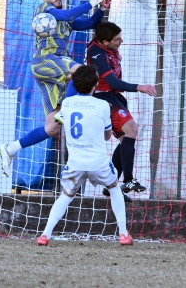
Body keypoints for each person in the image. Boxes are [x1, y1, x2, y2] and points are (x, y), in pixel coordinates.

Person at [0, 0, 110, 177]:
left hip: (53, 69)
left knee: (52, 128)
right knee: (81, 71)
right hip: (45, 61)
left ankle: (10, 149)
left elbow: (91, 23)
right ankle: (66, 109)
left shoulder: (65, 20)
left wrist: (101, 9)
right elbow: (67, 15)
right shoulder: (45, 11)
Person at [36, 65, 133, 246]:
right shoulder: (103, 105)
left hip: (75, 163)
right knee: (114, 188)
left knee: (65, 196)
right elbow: (106, 136)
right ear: (95, 85)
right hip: (98, 163)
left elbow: (61, 122)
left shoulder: (66, 103)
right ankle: (123, 234)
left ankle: (45, 235)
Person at [86, 22, 156, 199]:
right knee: (131, 129)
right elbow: (113, 83)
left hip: (114, 97)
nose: (121, 41)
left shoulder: (107, 46)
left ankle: (111, 185)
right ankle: (129, 179)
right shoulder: (97, 55)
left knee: (126, 138)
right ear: (104, 42)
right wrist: (139, 87)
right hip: (103, 98)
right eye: (117, 39)